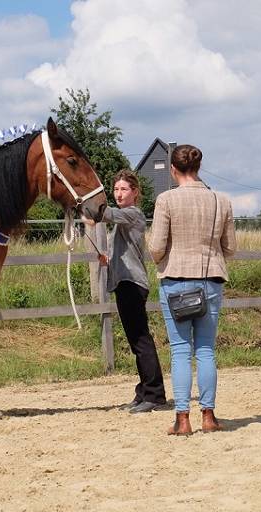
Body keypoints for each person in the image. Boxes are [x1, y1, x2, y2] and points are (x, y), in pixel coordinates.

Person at [148, 145, 236, 436]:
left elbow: (157, 247)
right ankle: (209, 415)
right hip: (211, 279)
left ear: (173, 169)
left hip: (176, 280)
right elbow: (230, 248)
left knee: (181, 351)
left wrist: (162, 259)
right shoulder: (221, 201)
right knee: (206, 349)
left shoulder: (166, 200)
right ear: (198, 168)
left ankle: (182, 418)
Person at [86, 169, 167, 413]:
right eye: (116, 189)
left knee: (141, 339)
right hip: (124, 283)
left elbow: (105, 213)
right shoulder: (123, 219)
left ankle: (155, 394)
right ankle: (144, 392)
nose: (119, 193)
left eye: (123, 189)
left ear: (135, 193)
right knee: (136, 341)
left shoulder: (133, 214)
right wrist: (108, 259)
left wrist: (87, 201)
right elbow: (125, 251)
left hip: (133, 283)